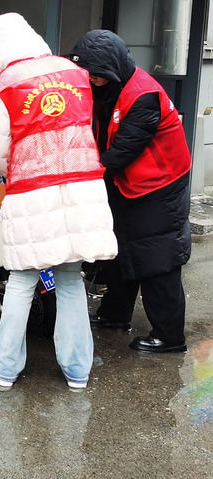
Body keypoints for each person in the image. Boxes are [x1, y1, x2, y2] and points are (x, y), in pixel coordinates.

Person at [0, 13, 117, 391]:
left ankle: (6, 371)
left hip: (32, 194)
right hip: (81, 189)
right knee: (71, 280)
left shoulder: (2, 87)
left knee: (22, 281)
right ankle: (77, 371)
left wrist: (22, 165)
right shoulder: (74, 72)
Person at [69, 29, 192, 353]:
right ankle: (115, 314)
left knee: (158, 258)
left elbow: (124, 150)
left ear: (111, 67)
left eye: (95, 73)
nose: (90, 79)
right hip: (128, 184)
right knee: (120, 250)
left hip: (159, 186)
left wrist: (84, 176)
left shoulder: (143, 95)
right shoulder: (108, 86)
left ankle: (169, 337)